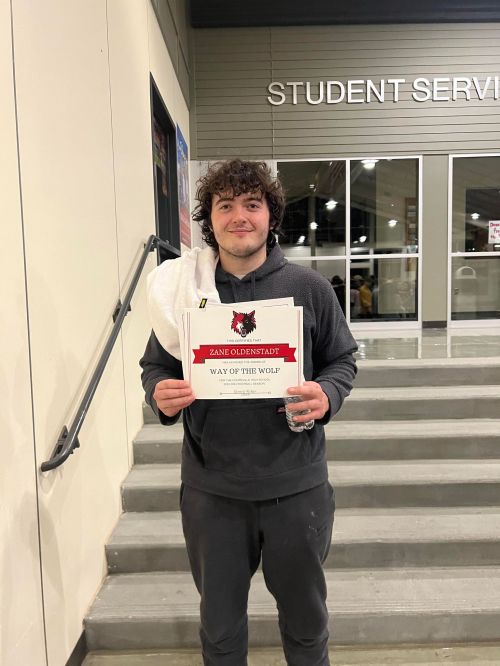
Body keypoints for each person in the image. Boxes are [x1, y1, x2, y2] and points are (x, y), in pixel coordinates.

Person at [140, 160, 358, 666]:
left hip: (296, 489)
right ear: (210, 219)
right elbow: (156, 366)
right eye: (226, 205)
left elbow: (342, 359)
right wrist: (159, 393)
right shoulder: (183, 293)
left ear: (270, 216)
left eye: (252, 204)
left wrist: (328, 393)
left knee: (307, 629)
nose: (239, 216)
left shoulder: (309, 288)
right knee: (220, 634)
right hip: (213, 493)